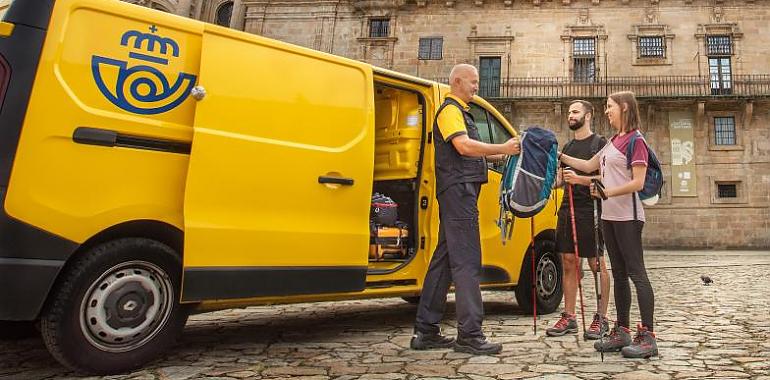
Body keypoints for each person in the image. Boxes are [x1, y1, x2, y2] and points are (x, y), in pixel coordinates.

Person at [411, 64, 520, 355]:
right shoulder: (449, 111)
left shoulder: (461, 112)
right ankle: (470, 335)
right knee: (467, 262)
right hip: (458, 193)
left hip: (459, 192)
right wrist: (502, 148)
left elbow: (473, 152)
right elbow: (463, 147)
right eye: (473, 82)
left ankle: (426, 331)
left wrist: (506, 153)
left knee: (444, 260)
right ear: (457, 82)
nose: (477, 86)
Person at [559, 91, 658, 359]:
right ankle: (622, 330)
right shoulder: (613, 141)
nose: (607, 111)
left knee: (637, 273)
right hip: (609, 216)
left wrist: (605, 192)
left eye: (610, 106)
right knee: (618, 274)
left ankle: (648, 335)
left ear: (624, 108)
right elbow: (591, 166)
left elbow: (637, 182)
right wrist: (558, 155)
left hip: (629, 215)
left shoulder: (636, 140)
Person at [545, 100, 611, 341]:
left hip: (590, 209)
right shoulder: (568, 146)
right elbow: (561, 179)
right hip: (566, 208)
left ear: (589, 115)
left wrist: (580, 180)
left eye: (575, 112)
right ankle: (569, 316)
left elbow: (606, 177)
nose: (570, 116)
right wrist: (542, 186)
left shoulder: (599, 143)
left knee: (596, 263)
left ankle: (601, 318)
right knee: (569, 262)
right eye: (569, 113)